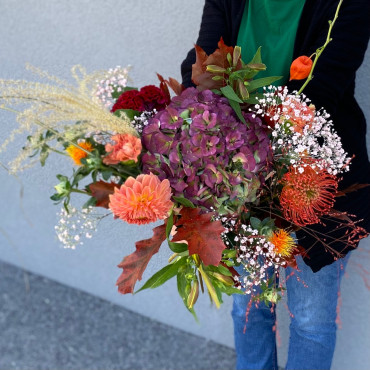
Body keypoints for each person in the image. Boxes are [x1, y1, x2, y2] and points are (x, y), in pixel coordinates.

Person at [181, 1, 370, 369]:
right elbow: (203, 56)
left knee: (311, 319)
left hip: (318, 181)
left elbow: (325, 85)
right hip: (239, 176)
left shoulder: (348, 3)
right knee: (249, 306)